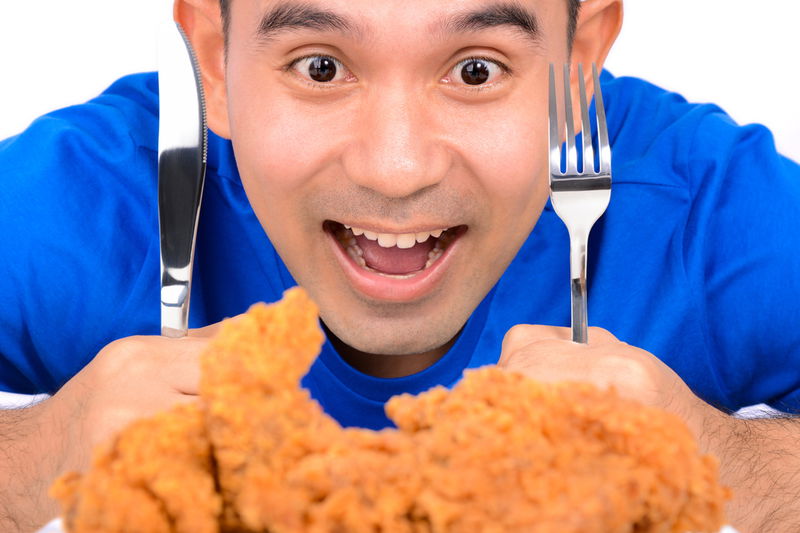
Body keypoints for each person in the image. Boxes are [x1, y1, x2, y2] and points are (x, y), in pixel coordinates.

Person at [1, 0, 799, 531]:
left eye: (476, 70)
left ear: (579, 59)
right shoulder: (90, 198)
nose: (396, 167)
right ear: (214, 62)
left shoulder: (703, 206)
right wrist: (50, 445)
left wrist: (715, 452)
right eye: (319, 67)